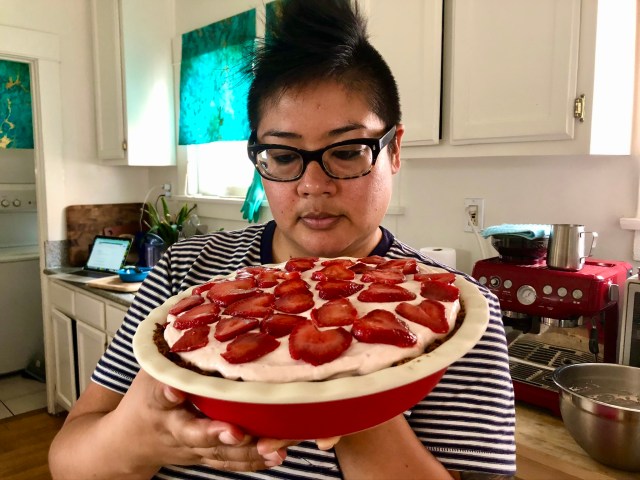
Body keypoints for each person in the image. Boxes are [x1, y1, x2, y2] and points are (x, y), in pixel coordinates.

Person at [49, 1, 516, 478]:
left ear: (394, 149)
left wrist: (353, 395)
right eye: (283, 154)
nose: (313, 184)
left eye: (349, 150)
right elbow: (68, 462)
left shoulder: (458, 310)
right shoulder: (183, 274)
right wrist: (139, 438)